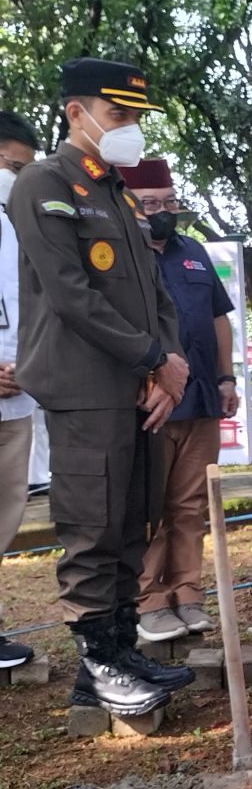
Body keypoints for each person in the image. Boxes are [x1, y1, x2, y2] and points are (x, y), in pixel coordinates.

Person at [9, 58, 194, 716]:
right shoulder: (42, 182)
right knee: (92, 528)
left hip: (138, 389)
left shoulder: (115, 190)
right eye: (119, 115)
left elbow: (157, 295)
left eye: (136, 117)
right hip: (85, 388)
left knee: (129, 525)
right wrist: (153, 359)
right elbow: (72, 296)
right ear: (75, 113)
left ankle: (117, 652)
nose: (131, 129)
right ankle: (98, 664)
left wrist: (168, 364)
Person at [118, 158, 239, 642]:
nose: (163, 210)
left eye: (170, 201)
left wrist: (227, 378)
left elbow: (219, 319)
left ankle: (188, 593)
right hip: (150, 403)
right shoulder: (122, 255)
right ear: (130, 206)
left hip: (203, 399)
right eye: (151, 203)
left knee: (190, 505)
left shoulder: (193, 252)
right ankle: (149, 602)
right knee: (152, 506)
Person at [0, 110, 39, 669]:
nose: (17, 179)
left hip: (18, 395)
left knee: (5, 516)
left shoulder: (23, 222)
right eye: (11, 166)